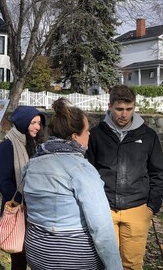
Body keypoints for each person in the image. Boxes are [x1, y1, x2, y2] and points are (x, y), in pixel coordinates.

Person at [23, 98, 122, 270]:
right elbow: (101, 227)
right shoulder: (82, 169)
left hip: (36, 251)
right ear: (75, 137)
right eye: (87, 131)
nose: (90, 134)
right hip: (72, 258)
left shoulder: (32, 163)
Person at [86, 85, 163, 270]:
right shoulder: (96, 135)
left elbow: (158, 173)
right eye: (119, 109)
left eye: (129, 109)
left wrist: (153, 206)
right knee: (106, 263)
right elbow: (88, 172)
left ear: (134, 107)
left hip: (138, 208)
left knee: (132, 264)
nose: (124, 114)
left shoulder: (148, 136)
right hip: (104, 208)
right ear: (110, 106)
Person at [0, 106, 45, 270]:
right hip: (19, 209)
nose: (37, 127)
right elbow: (4, 182)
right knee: (19, 256)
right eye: (33, 123)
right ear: (23, 123)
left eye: (39, 123)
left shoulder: (37, 145)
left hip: (37, 208)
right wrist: (23, 202)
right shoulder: (7, 146)